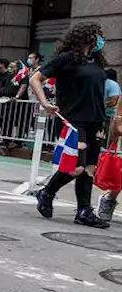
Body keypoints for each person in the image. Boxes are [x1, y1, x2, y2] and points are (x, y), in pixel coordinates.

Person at [33, 23, 111, 229]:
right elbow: (35, 78)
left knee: (89, 168)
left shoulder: (96, 61)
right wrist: (45, 103)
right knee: (75, 167)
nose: (101, 40)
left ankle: (84, 210)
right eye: (98, 36)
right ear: (87, 37)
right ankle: (47, 192)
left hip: (95, 119)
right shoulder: (66, 59)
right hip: (73, 120)